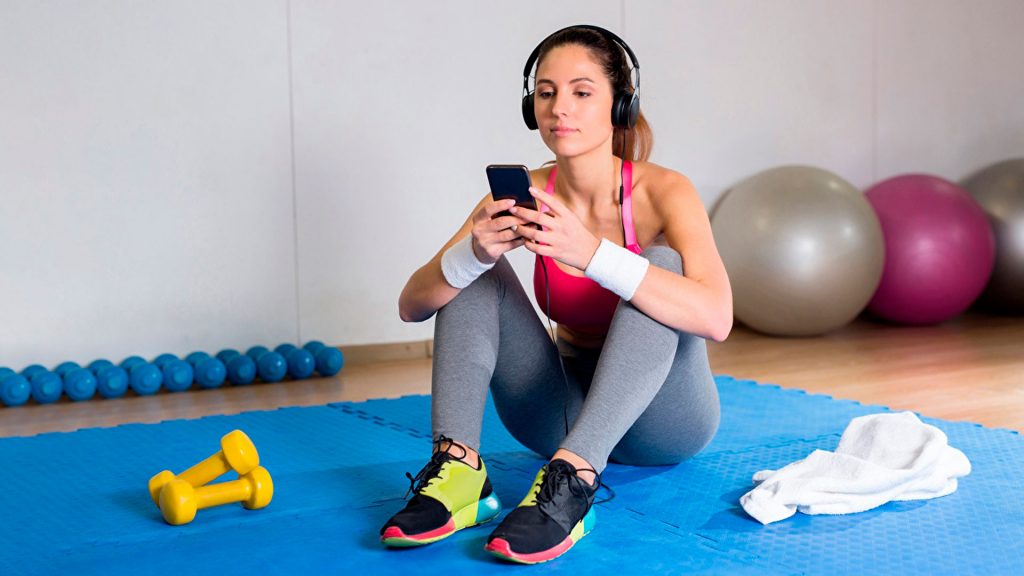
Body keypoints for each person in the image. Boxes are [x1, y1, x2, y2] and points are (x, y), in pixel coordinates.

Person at [380, 25, 732, 564]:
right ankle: (459, 470)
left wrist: (592, 253)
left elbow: (717, 317)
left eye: (581, 91)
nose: (559, 108)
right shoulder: (526, 193)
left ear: (620, 104)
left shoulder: (664, 191)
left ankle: (575, 480)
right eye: (546, 93)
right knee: (476, 268)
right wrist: (474, 254)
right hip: (559, 415)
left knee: (659, 266)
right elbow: (411, 305)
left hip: (664, 422)